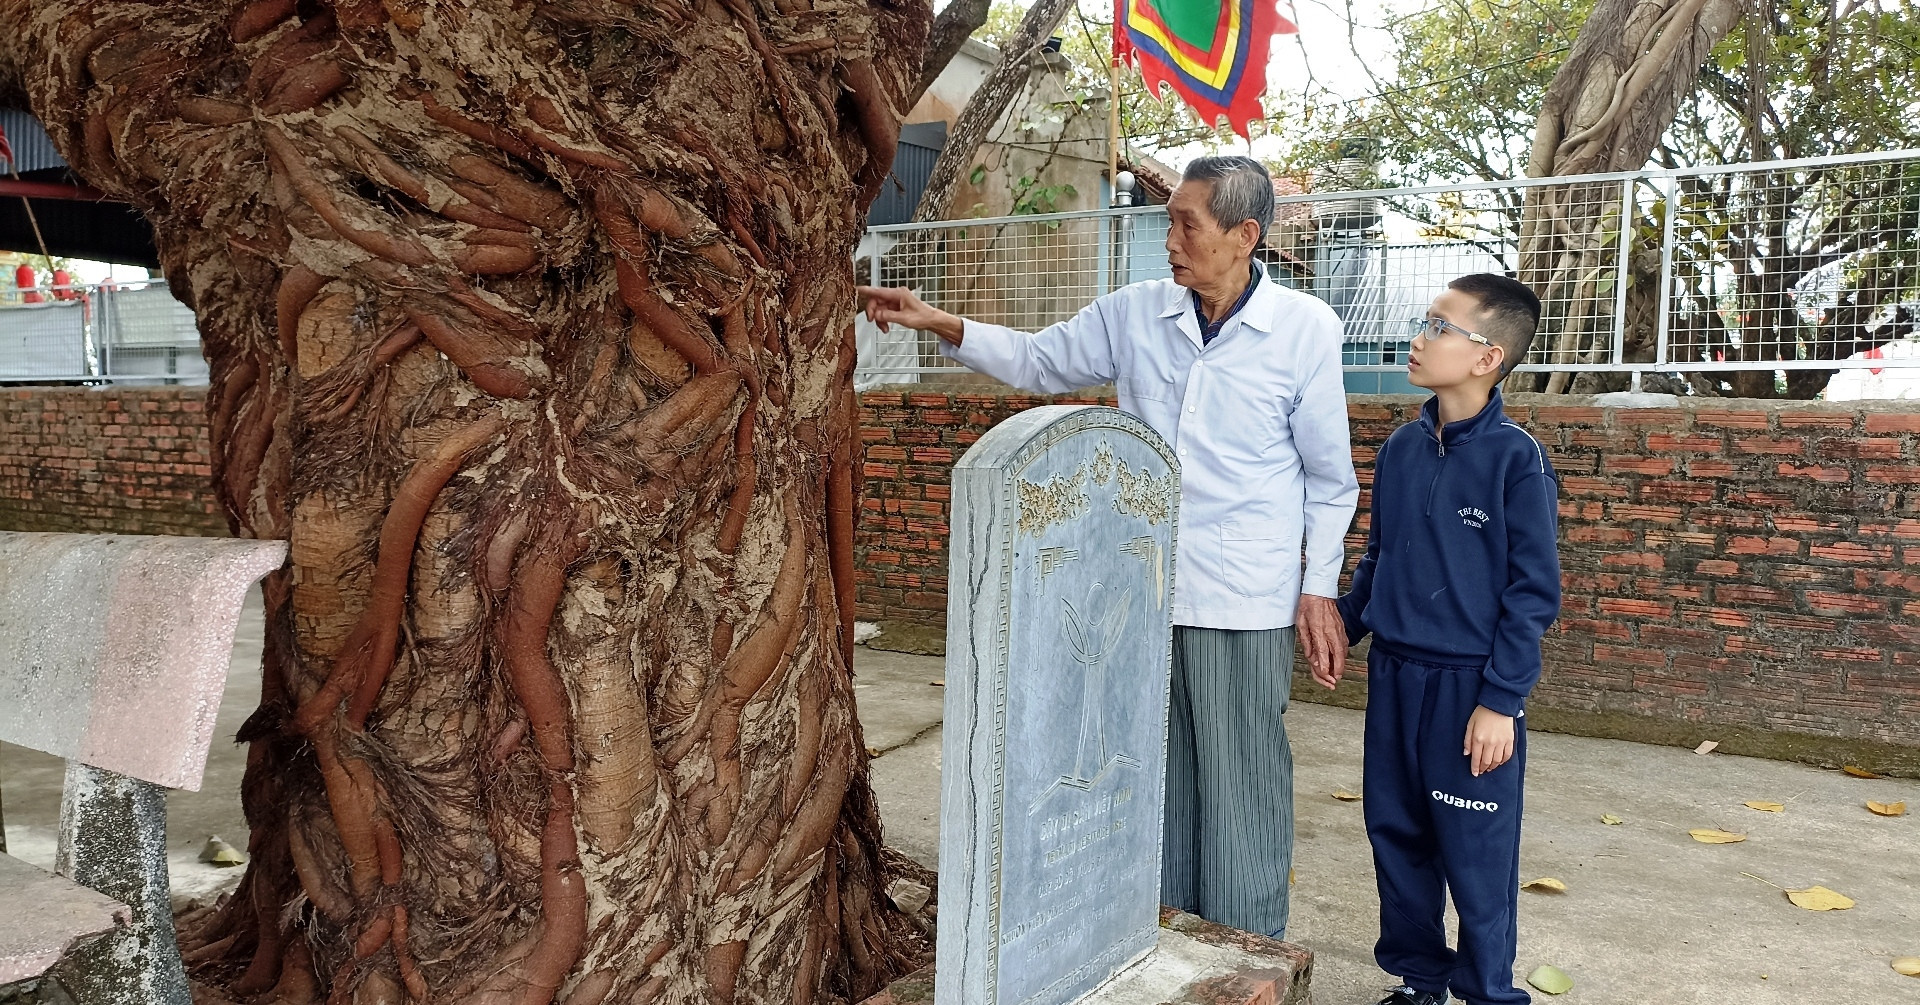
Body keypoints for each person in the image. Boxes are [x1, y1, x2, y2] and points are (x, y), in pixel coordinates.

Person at [858, 155, 1358, 940]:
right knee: (1150, 773)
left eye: (1188, 223)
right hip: (1141, 585)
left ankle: (1249, 948)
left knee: (1240, 780)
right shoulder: (1136, 311)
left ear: (1245, 235)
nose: (1171, 239)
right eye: (1171, 221)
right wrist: (938, 322)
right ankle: (1168, 931)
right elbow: (1039, 360)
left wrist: (1317, 586)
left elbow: (1330, 479)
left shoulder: (1303, 331)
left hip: (1243, 593)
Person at [1329, 274, 1562, 1005]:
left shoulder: (1515, 460)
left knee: (1477, 852)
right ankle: (1419, 981)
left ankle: (1489, 990)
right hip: (1396, 678)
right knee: (1396, 835)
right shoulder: (1401, 447)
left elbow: (1533, 594)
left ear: (1487, 355)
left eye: (1438, 325)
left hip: (1470, 692)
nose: (1419, 337)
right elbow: (1381, 555)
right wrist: (1344, 623)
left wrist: (1501, 700)